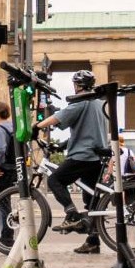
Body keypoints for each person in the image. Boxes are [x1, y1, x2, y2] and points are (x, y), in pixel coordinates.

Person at [37, 69, 108, 255]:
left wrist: (36, 126)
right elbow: (88, 131)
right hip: (96, 157)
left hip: (82, 156)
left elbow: (59, 117)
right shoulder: (99, 103)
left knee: (55, 180)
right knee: (91, 201)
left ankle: (71, 214)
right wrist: (63, 144)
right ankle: (93, 242)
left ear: (78, 85)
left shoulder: (80, 101)